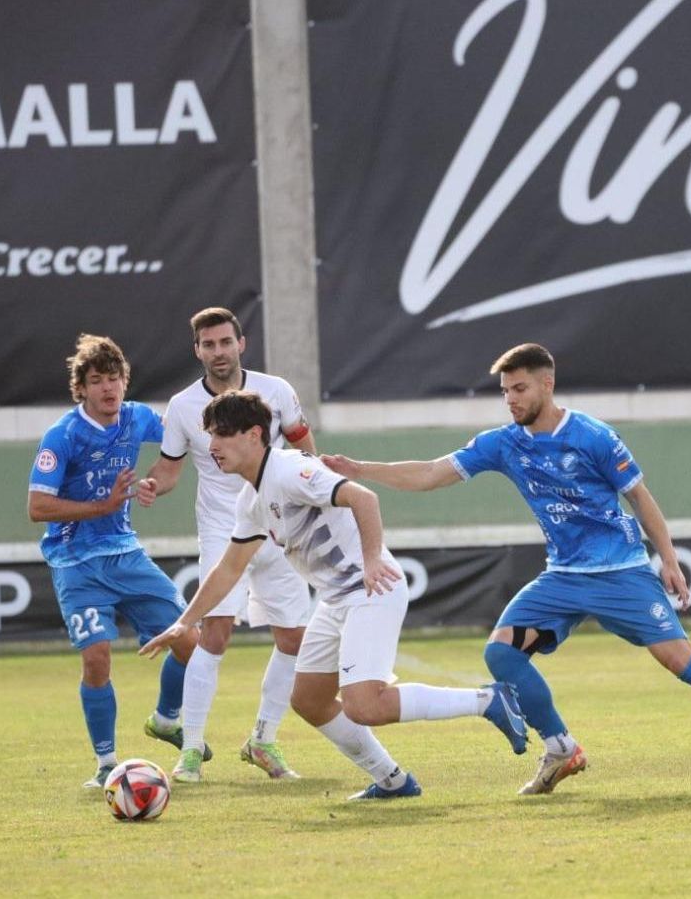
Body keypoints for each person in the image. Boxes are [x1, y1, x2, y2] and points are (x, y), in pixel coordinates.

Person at [320, 343, 691, 795]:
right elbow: (431, 472)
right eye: (505, 391)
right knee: (502, 655)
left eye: (519, 389)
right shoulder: (503, 443)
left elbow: (640, 497)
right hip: (562, 578)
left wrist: (667, 558)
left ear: (547, 384)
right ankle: (560, 747)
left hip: (621, 573)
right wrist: (362, 470)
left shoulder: (593, 436)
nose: (511, 400)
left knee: (681, 662)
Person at [140, 391, 529, 800]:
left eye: (220, 434)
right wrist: (185, 623)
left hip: (371, 590)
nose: (212, 446)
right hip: (337, 600)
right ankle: (392, 780)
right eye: (209, 436)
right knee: (309, 699)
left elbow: (364, 497)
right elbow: (229, 568)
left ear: (254, 435)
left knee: (365, 705)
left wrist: (374, 558)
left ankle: (488, 700)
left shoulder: (291, 470)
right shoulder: (250, 499)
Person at [145, 307, 316, 783]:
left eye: (225, 342)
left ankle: (263, 740)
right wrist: (152, 486)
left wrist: (317, 489)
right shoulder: (182, 406)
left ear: (241, 344)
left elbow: (303, 446)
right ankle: (192, 749)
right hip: (224, 528)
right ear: (197, 350)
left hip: (280, 525)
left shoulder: (278, 390)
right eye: (208, 344)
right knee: (215, 631)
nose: (217, 352)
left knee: (294, 638)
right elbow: (170, 469)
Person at [27, 334, 200, 789]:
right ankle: (106, 763)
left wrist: (155, 484)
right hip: (75, 561)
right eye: (97, 380)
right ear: (81, 388)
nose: (109, 388)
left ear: (126, 382)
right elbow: (37, 507)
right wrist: (98, 508)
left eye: (115, 378)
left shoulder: (138, 418)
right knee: (97, 659)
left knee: (190, 641)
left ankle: (166, 719)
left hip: (125, 554)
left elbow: (184, 440)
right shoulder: (62, 435)